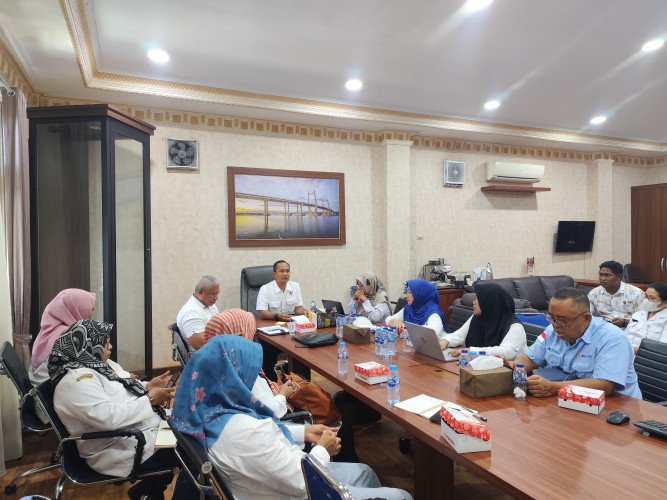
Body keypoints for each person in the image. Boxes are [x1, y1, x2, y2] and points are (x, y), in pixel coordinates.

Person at [170, 335, 412, 500]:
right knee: (402, 496)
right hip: (294, 489)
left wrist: (304, 432)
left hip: (271, 477)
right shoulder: (246, 432)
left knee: (365, 472)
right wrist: (324, 448)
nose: (254, 379)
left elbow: (263, 435)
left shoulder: (211, 413)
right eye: (250, 373)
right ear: (231, 378)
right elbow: (301, 481)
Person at [49, 319, 197, 499]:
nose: (110, 347)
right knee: (196, 454)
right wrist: (150, 399)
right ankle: (158, 489)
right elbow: (109, 418)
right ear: (86, 345)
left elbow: (122, 388)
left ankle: (150, 489)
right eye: (105, 343)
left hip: (138, 431)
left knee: (196, 433)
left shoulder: (97, 365)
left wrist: (147, 386)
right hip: (119, 448)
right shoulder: (75, 382)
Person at [509, 287, 642, 399]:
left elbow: (606, 385)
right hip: (568, 399)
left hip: (617, 406)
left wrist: (553, 388)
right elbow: (530, 358)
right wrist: (516, 367)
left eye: (562, 320)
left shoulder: (612, 338)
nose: (555, 325)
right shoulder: (552, 330)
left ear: (586, 319)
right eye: (551, 317)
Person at [440, 282, 527, 359]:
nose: (474, 302)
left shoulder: (515, 327)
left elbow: (506, 353)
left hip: (509, 371)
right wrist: (446, 341)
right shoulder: (478, 317)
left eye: (478, 300)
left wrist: (471, 351)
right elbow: (460, 335)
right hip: (478, 366)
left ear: (489, 303)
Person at [30, 288, 96, 387]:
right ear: (76, 310)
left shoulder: (52, 327)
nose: (91, 314)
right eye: (90, 310)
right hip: (51, 388)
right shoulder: (66, 334)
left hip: (40, 384)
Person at [588, 260, 644, 328]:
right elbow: (586, 315)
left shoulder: (636, 293)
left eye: (607, 275)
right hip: (604, 329)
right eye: (601, 275)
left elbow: (643, 319)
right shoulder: (594, 293)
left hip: (629, 328)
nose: (602, 278)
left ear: (619, 277)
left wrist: (625, 322)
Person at [176, 275, 220, 351]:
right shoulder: (191, 312)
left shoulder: (211, 306)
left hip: (217, 350)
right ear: (200, 292)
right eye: (213, 294)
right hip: (205, 356)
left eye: (217, 293)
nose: (216, 298)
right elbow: (201, 346)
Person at [625, 282, 667, 352]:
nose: (647, 300)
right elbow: (625, 336)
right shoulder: (638, 315)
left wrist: (629, 349)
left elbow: (661, 349)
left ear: (665, 302)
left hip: (646, 356)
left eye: (652, 298)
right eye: (646, 296)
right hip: (624, 351)